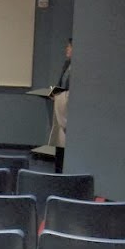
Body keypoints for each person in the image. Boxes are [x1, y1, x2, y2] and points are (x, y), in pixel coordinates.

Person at [49, 38, 72, 172]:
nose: (66, 49)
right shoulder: (67, 64)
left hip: (67, 111)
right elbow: (61, 84)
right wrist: (54, 93)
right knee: (59, 145)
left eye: (69, 47)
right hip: (60, 106)